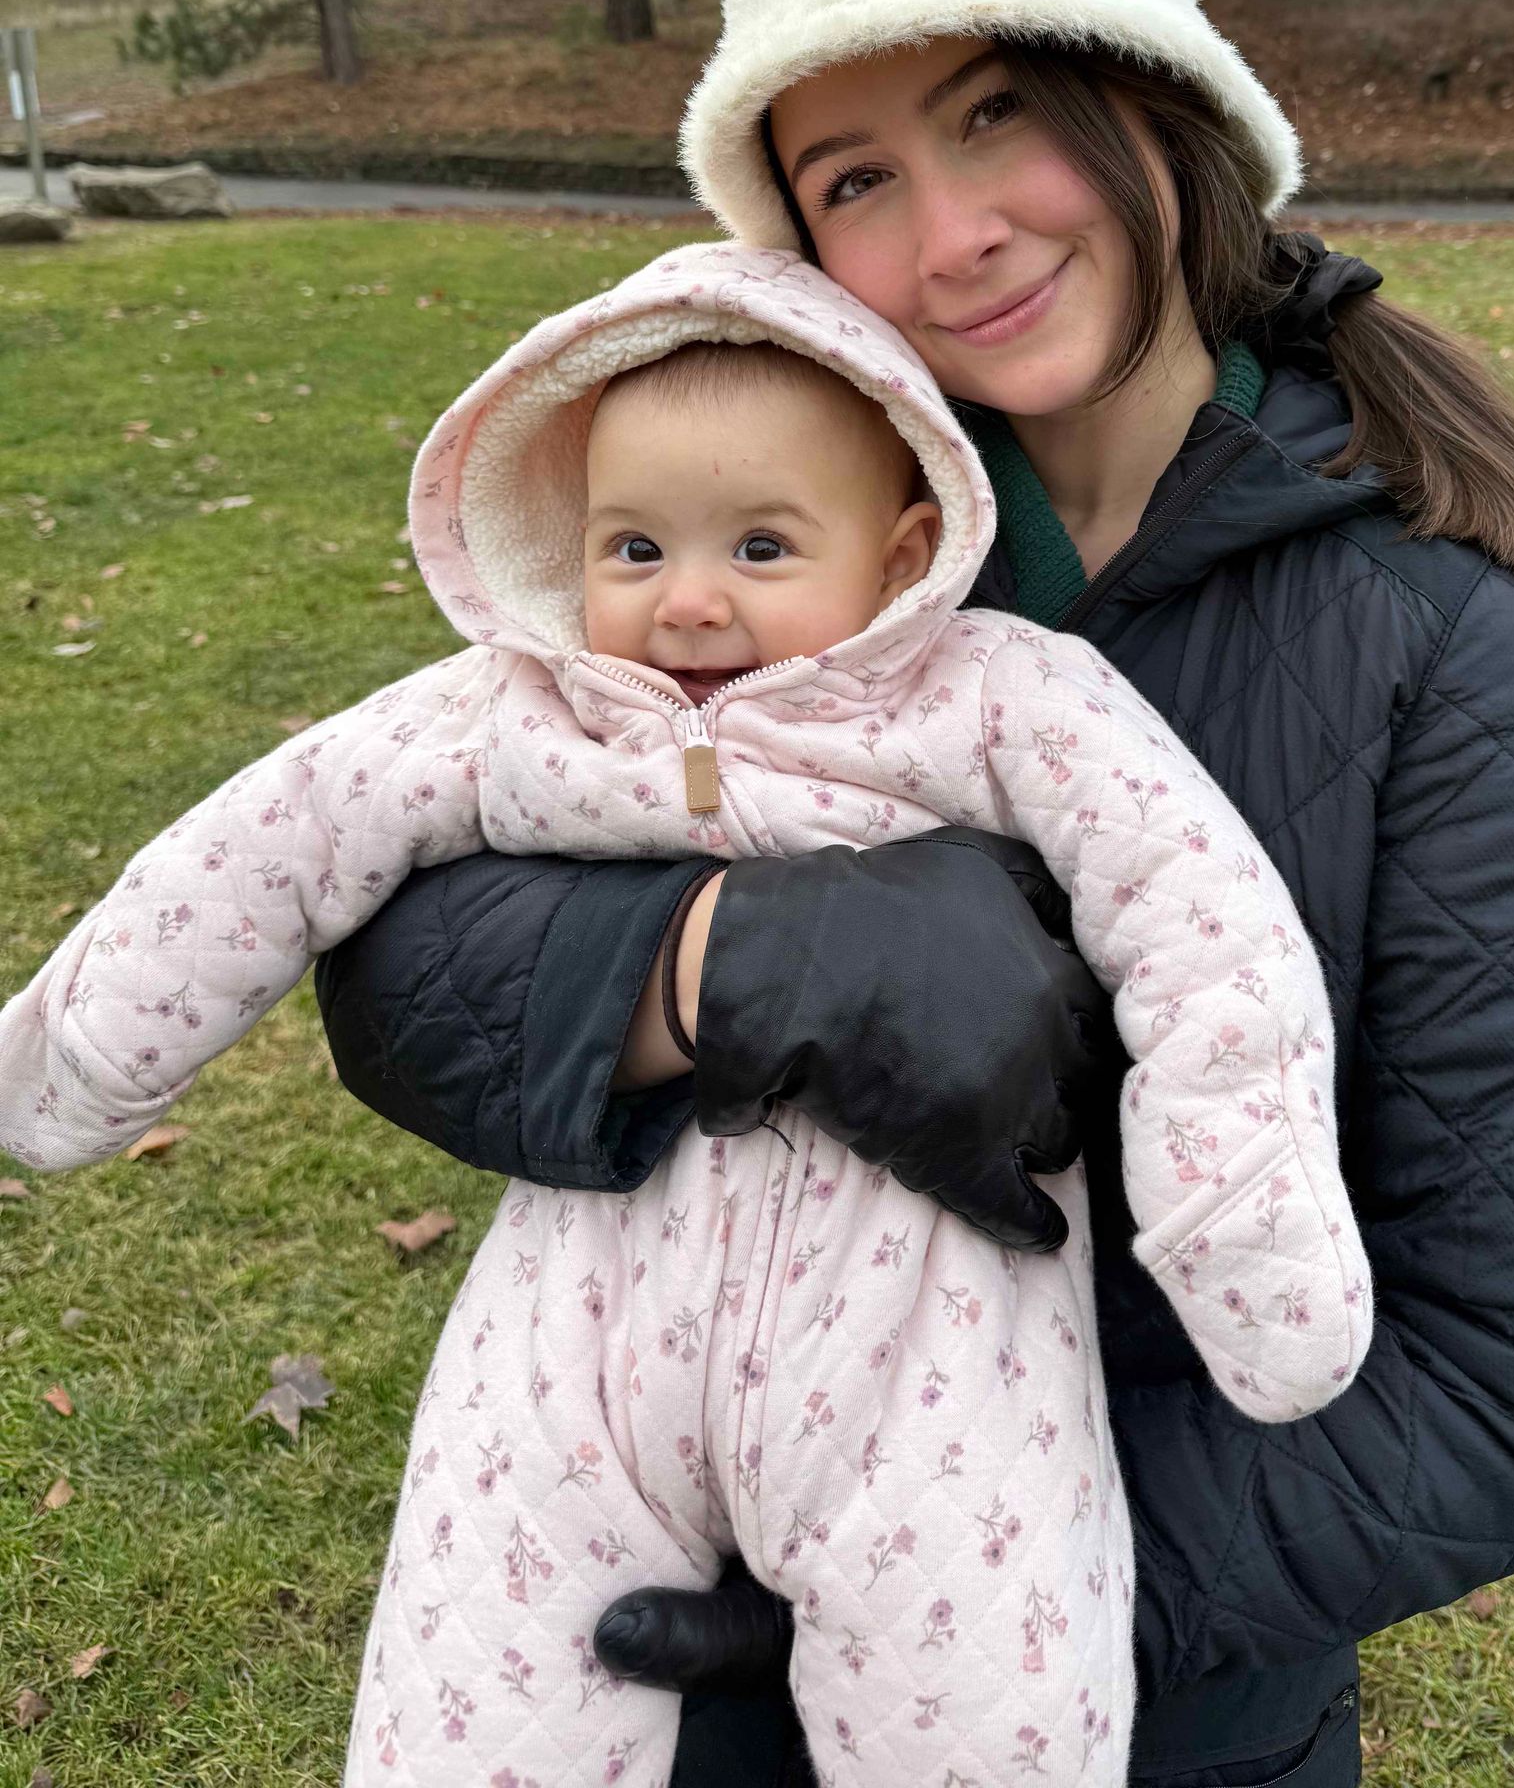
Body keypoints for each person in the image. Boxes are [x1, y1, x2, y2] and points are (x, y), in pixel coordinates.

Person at [317, 0, 1514, 1788]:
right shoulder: (778, 527)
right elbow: (396, 932)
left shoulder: (1434, 644)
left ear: (1152, 101)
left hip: (1150, 1710)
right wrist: (719, 958)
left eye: (995, 113)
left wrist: (973, 1593)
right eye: (854, 176)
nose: (953, 236)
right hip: (673, 1651)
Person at [0, 228, 1371, 1786]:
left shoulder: (993, 695)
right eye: (635, 550)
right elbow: (270, 843)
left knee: (988, 1691)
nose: (690, 606)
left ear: (905, 551)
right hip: (580, 1313)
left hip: (929, 1332)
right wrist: (72, 1064)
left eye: (762, 550)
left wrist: (1238, 1210)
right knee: (476, 1669)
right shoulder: (518, 713)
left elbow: (1203, 917)